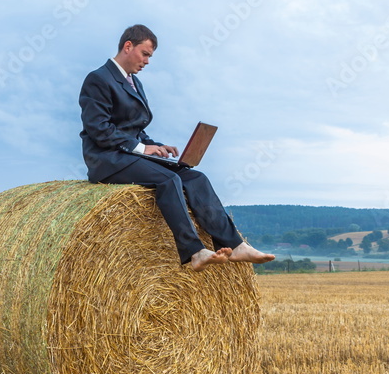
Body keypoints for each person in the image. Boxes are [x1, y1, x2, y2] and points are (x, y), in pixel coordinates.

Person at [79, 24, 275, 271]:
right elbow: (98, 129)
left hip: (129, 155)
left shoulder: (135, 83)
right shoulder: (98, 79)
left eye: (150, 56)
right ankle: (194, 251)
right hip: (107, 160)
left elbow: (135, 130)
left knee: (195, 177)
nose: (148, 61)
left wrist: (156, 146)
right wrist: (141, 148)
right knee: (168, 179)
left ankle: (234, 245)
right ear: (128, 46)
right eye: (145, 54)